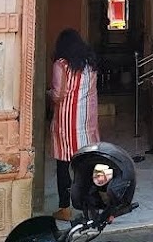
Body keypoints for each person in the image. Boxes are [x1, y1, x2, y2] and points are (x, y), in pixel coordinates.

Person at [49, 29, 100, 222]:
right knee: (85, 166)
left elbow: (58, 94)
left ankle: (65, 208)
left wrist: (48, 94)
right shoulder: (90, 65)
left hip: (66, 123)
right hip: (86, 123)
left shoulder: (61, 65)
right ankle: (89, 205)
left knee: (63, 166)